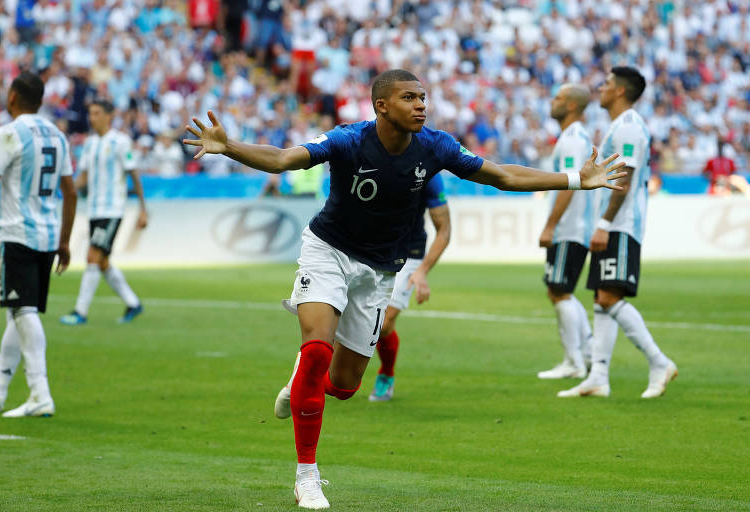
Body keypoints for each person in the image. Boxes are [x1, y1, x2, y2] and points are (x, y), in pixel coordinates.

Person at [183, 69, 625, 510]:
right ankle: (306, 475)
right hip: (329, 251)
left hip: (380, 269)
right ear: (381, 105)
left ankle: (301, 378)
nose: (421, 105)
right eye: (409, 97)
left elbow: (501, 176)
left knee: (343, 385)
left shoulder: (436, 146)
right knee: (317, 350)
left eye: (423, 97)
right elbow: (283, 159)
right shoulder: (347, 140)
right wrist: (230, 147)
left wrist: (574, 180)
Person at [559, 67, 678, 400]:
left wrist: (604, 225)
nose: (601, 88)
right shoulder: (620, 126)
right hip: (615, 224)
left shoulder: (628, 128)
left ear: (621, 91)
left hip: (621, 225)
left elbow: (622, 180)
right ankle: (598, 376)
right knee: (601, 296)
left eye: (607, 84)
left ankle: (659, 362)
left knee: (610, 296)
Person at [0, 71, 77, 417]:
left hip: (18, 234)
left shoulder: (8, 133)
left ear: (11, 97)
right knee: (17, 313)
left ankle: (40, 393)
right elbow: (71, 191)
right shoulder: (58, 134)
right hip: (48, 236)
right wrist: (65, 241)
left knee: (23, 311)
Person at [59, 99, 146, 326]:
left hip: (112, 209)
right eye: (91, 113)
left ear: (109, 116)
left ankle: (80, 312)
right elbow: (84, 178)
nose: (92, 117)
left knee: (92, 256)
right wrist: (63, 188)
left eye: (97, 113)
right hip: (94, 209)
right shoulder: (89, 143)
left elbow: (134, 174)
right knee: (103, 262)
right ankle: (133, 303)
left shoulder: (121, 141)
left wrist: (143, 210)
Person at [368, 172, 450, 401]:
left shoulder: (428, 171)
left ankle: (386, 374)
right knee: (345, 317)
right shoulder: (370, 157)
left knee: (383, 324)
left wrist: (422, 271)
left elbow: (444, 229)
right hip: (368, 248)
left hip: (408, 253)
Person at [536, 83, 595, 380]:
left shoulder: (572, 140)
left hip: (570, 228)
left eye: (558, 97)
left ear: (572, 105)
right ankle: (586, 352)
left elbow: (569, 185)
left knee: (558, 291)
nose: (553, 100)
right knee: (562, 290)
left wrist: (550, 226)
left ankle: (574, 362)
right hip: (576, 227)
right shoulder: (575, 137)